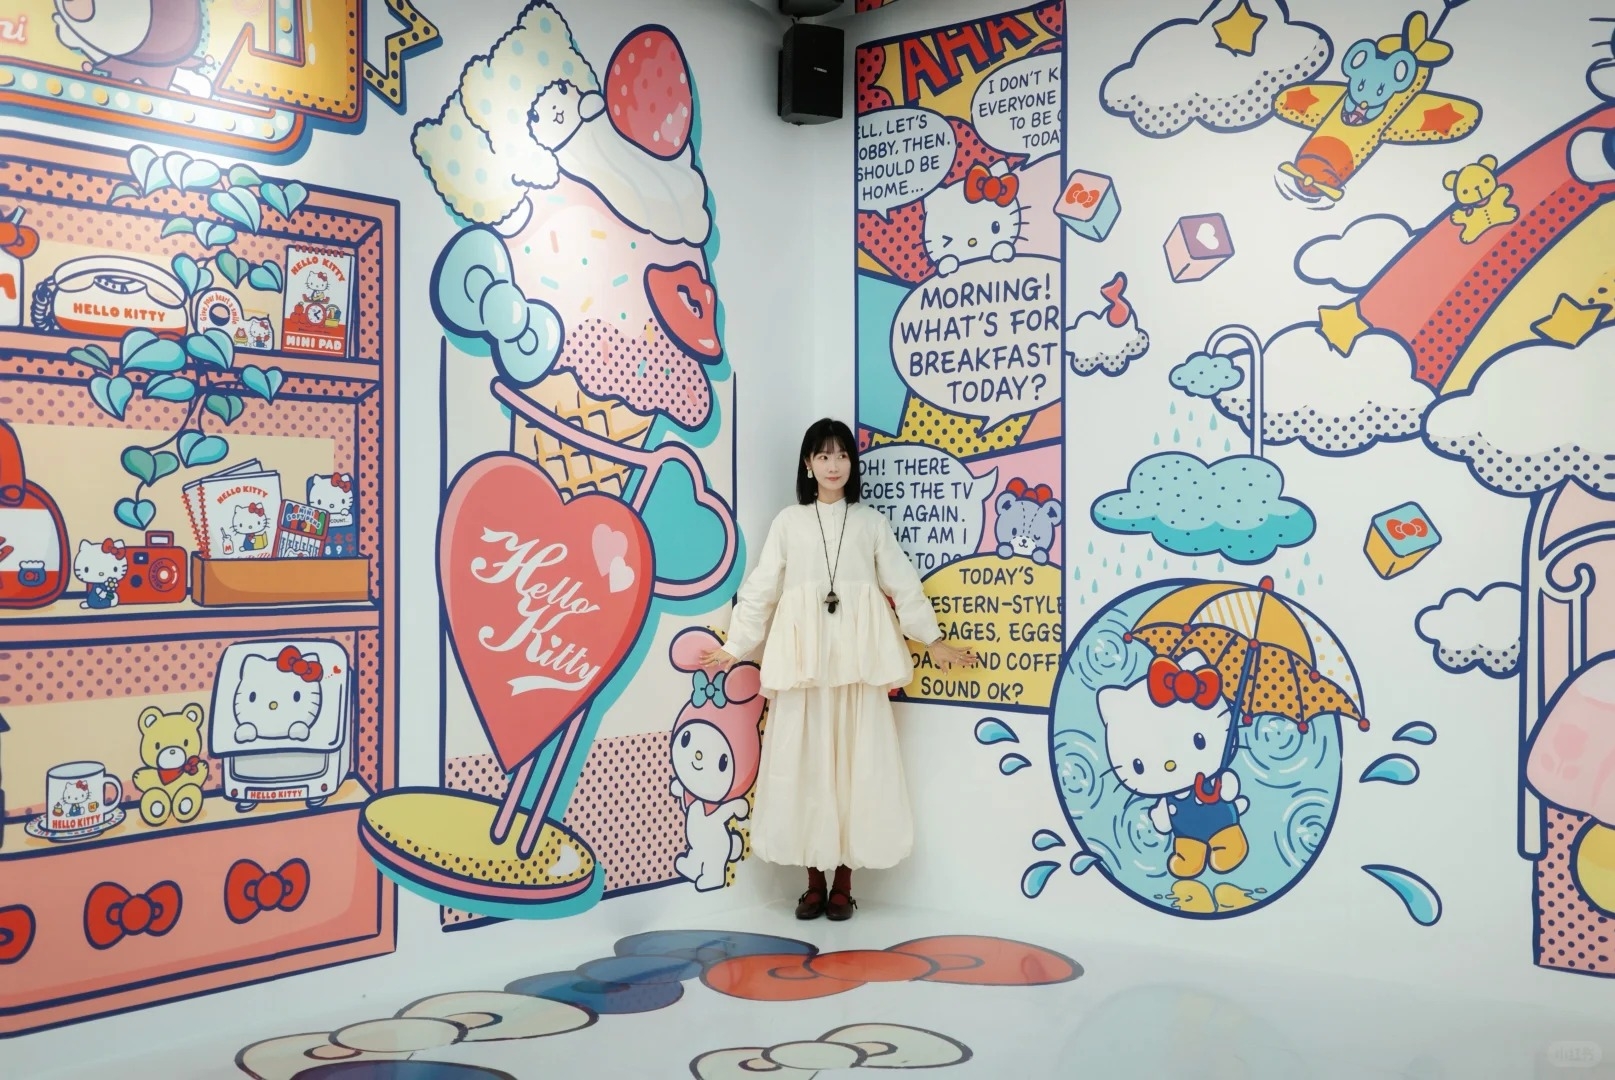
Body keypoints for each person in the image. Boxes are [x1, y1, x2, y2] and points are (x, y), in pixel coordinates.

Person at [702, 418, 977, 921]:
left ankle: (844, 885)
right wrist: (736, 644)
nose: (834, 465)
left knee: (858, 769)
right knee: (805, 768)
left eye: (843, 455)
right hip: (804, 668)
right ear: (808, 464)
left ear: (852, 464)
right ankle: (812, 883)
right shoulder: (789, 522)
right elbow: (762, 585)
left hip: (857, 666)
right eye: (824, 456)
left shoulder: (870, 523)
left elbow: (902, 582)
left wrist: (933, 640)